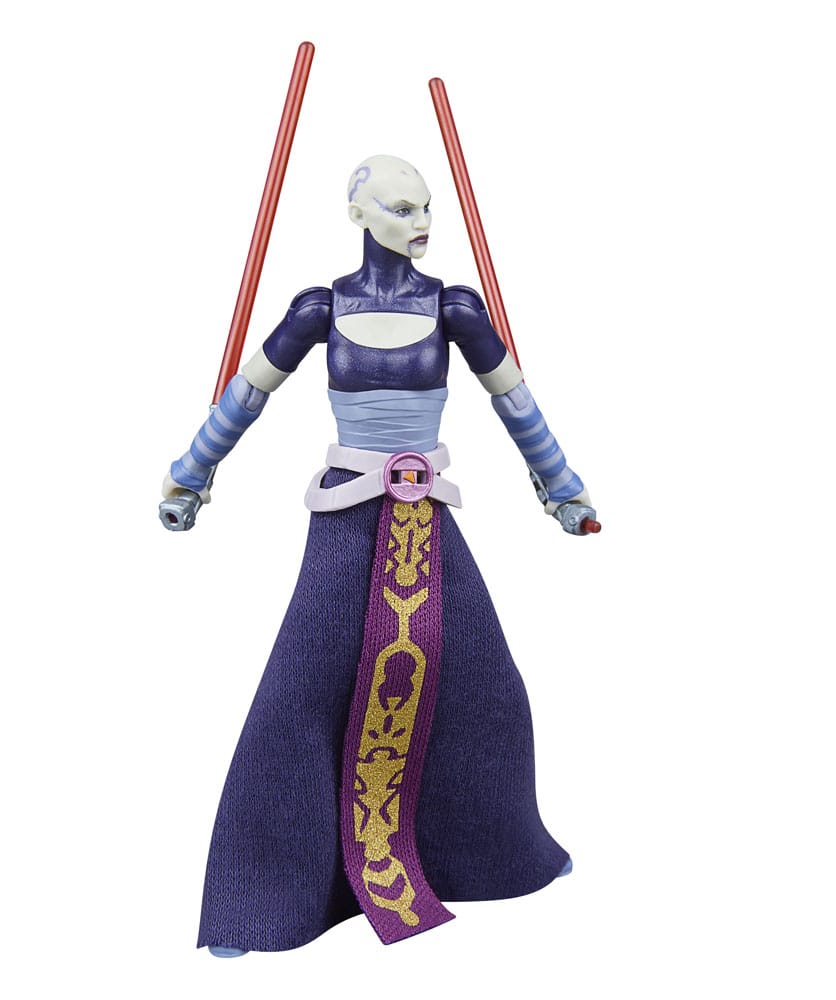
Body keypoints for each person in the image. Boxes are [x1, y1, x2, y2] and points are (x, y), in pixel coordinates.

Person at [163, 155, 597, 955]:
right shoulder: (320, 307)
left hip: (426, 517)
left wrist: (561, 487)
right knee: (299, 689)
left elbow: (516, 403)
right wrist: (192, 472)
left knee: (485, 685)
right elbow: (247, 394)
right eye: (401, 208)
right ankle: (260, 900)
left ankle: (503, 854)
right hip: (346, 517)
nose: (422, 222)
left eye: (427, 207)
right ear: (359, 215)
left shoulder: (454, 306)